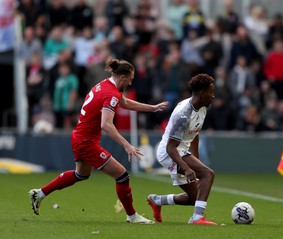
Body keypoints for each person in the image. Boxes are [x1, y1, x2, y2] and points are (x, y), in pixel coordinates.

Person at [29, 56, 168, 224]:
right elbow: (106, 125)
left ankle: (39, 193)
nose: (130, 83)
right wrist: (127, 145)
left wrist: (151, 108)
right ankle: (132, 216)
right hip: (86, 142)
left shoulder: (105, 85)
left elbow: (124, 102)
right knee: (122, 175)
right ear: (122, 78)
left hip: (80, 137)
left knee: (80, 175)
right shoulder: (111, 94)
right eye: (130, 80)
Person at [147, 74, 217, 225]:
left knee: (194, 198)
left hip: (182, 150)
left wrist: (195, 160)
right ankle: (197, 218)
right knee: (208, 174)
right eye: (211, 92)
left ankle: (157, 200)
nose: (213, 96)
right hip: (170, 153)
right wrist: (186, 168)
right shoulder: (183, 115)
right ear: (202, 93)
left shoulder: (202, 108)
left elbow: (194, 134)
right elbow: (170, 147)